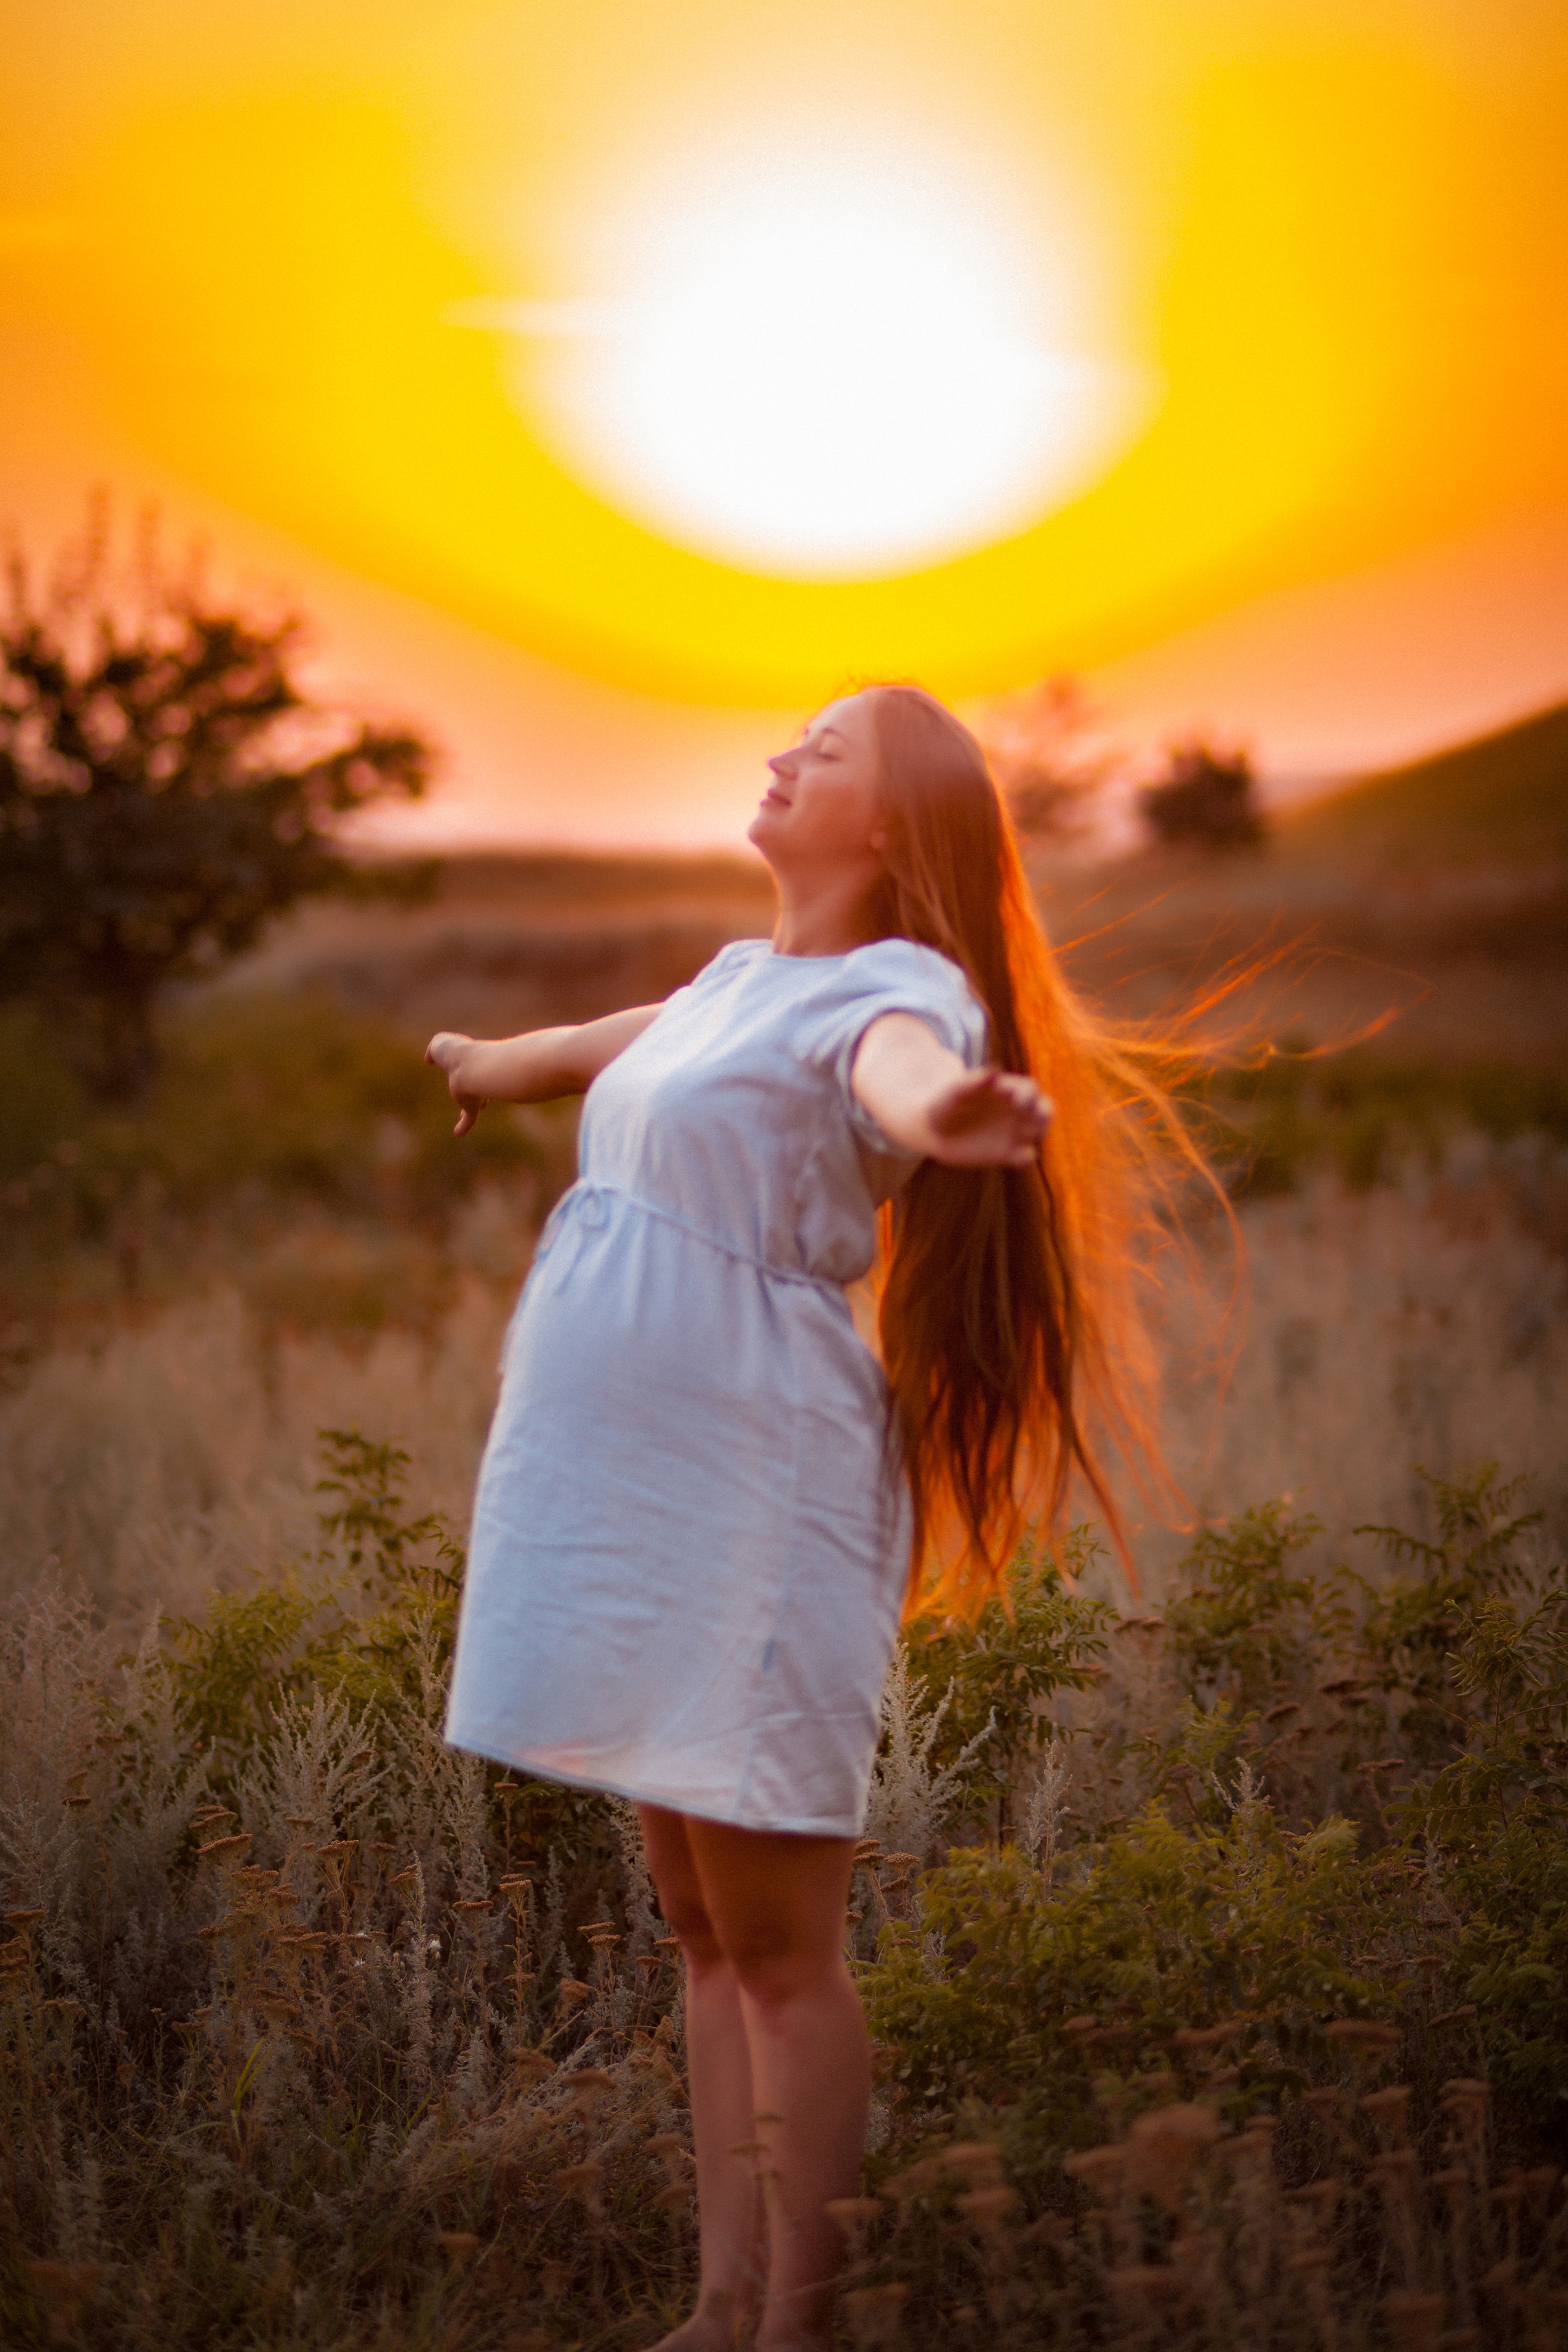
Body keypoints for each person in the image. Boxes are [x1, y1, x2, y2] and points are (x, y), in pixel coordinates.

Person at [426, 684, 1170, 2351]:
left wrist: (949, 1123)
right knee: (700, 1930)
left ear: (892, 827)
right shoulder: (733, 983)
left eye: (821, 752)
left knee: (779, 1948)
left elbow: (901, 1076)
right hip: (622, 1494)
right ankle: (718, 2305)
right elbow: (580, 1056)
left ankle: (799, 2330)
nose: (780, 758)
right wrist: (477, 1060)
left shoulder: (898, 991)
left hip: (752, 1496)